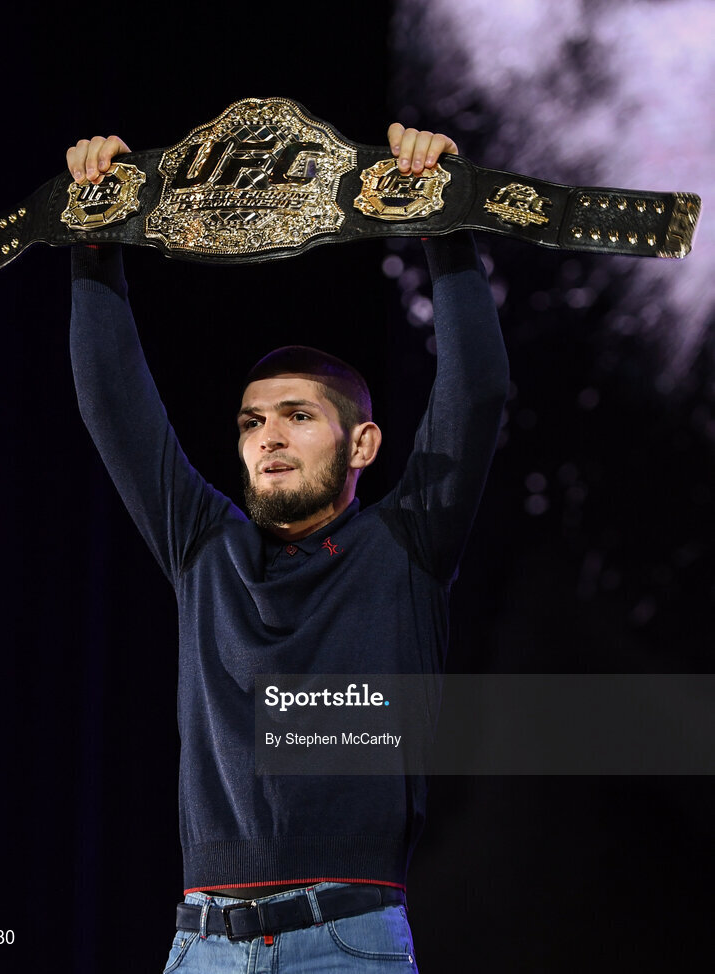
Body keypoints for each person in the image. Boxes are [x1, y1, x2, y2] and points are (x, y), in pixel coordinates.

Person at [67, 122, 509, 973]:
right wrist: (95, 240)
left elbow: (478, 390)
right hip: (200, 948)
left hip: (345, 943)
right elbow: (113, 405)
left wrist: (443, 220)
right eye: (251, 421)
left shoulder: (405, 544)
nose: (268, 436)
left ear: (363, 445)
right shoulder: (205, 549)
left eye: (298, 416)